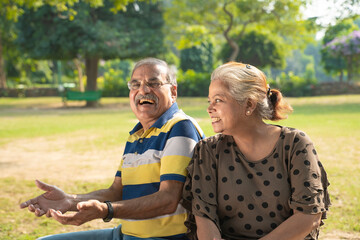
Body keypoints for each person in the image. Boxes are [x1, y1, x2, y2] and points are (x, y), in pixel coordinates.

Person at [20, 57, 204, 240]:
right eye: (135, 84)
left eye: (153, 83)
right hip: (126, 234)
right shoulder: (137, 135)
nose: (143, 90)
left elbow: (168, 200)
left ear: (173, 92)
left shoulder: (180, 127)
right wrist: (70, 200)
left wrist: (105, 210)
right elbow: (116, 191)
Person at [181, 62, 331, 240]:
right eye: (210, 101)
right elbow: (204, 216)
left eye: (218, 100)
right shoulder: (208, 150)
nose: (209, 108)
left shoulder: (295, 144)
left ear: (249, 104)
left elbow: (309, 216)